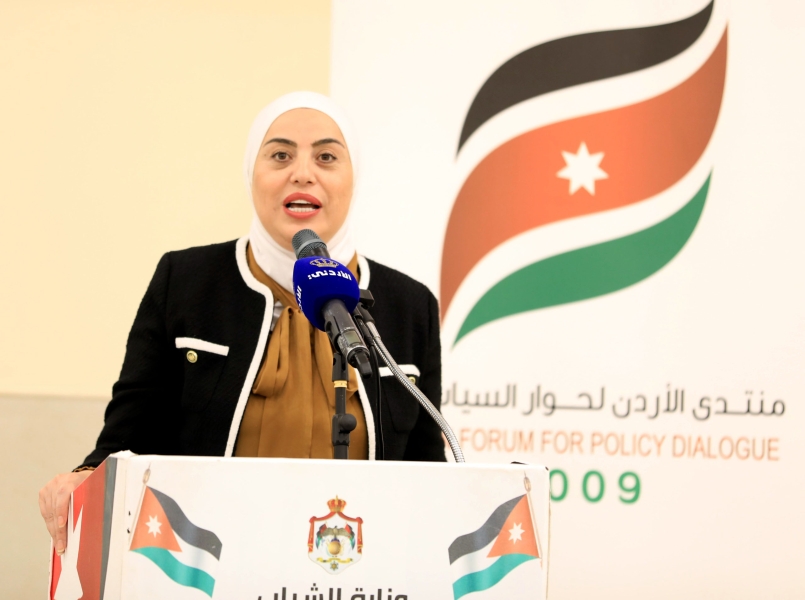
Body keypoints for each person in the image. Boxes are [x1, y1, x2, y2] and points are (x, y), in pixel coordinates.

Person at [39, 92, 446, 555]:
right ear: (251, 172)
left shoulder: (409, 305)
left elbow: (429, 475)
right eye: (280, 155)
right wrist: (81, 479)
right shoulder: (186, 282)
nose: (303, 173)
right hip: (205, 567)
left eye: (326, 157)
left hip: (357, 571)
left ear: (354, 178)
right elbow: (126, 440)